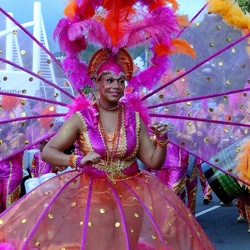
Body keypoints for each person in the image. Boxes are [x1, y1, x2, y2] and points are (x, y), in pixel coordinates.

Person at [0, 1, 215, 249]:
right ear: (96, 82)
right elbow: (49, 152)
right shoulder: (82, 118)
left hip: (133, 197)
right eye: (109, 79)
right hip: (92, 196)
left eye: (121, 80)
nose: (116, 85)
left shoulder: (134, 118)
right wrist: (77, 161)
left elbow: (153, 162)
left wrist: (163, 141)